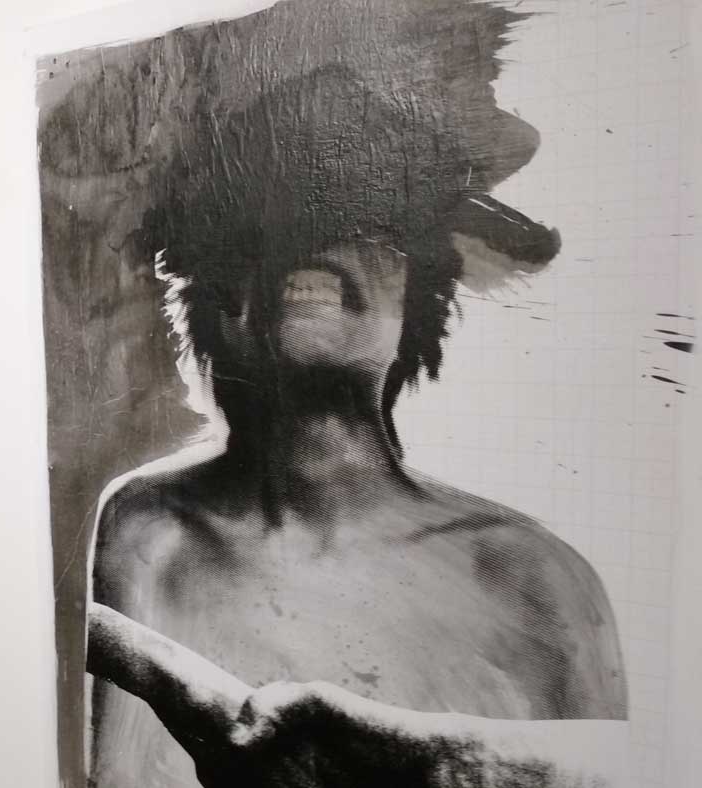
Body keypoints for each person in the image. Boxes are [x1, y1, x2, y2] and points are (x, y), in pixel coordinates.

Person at [82, 47, 627, 788]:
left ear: (421, 298)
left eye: (371, 224)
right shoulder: (151, 529)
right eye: (259, 232)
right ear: (216, 295)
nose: (308, 246)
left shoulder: (529, 575)